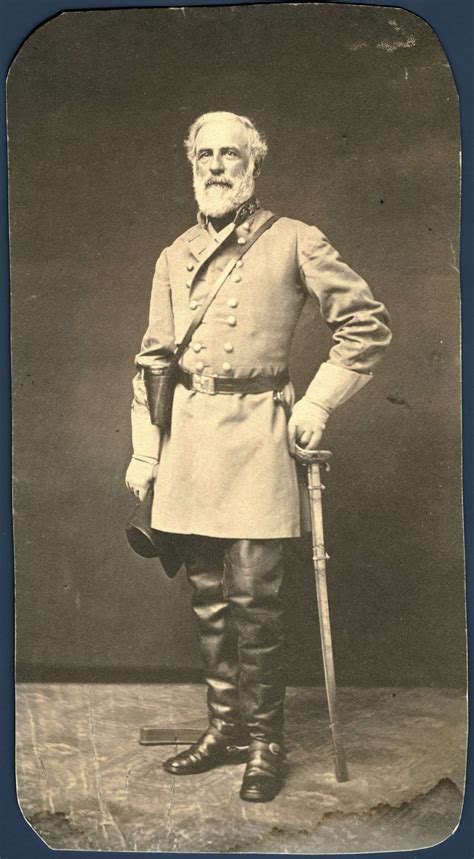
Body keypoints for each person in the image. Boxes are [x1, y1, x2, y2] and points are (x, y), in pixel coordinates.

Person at [125, 111, 391, 802]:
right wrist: (146, 451)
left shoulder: (296, 239)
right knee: (208, 597)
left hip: (258, 434)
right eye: (205, 155)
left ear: (254, 165)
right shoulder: (174, 254)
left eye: (231, 155)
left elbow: (366, 325)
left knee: (254, 599)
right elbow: (153, 360)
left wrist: (318, 402)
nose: (216, 166)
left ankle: (268, 739)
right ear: (192, 164)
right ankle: (227, 729)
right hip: (189, 438)